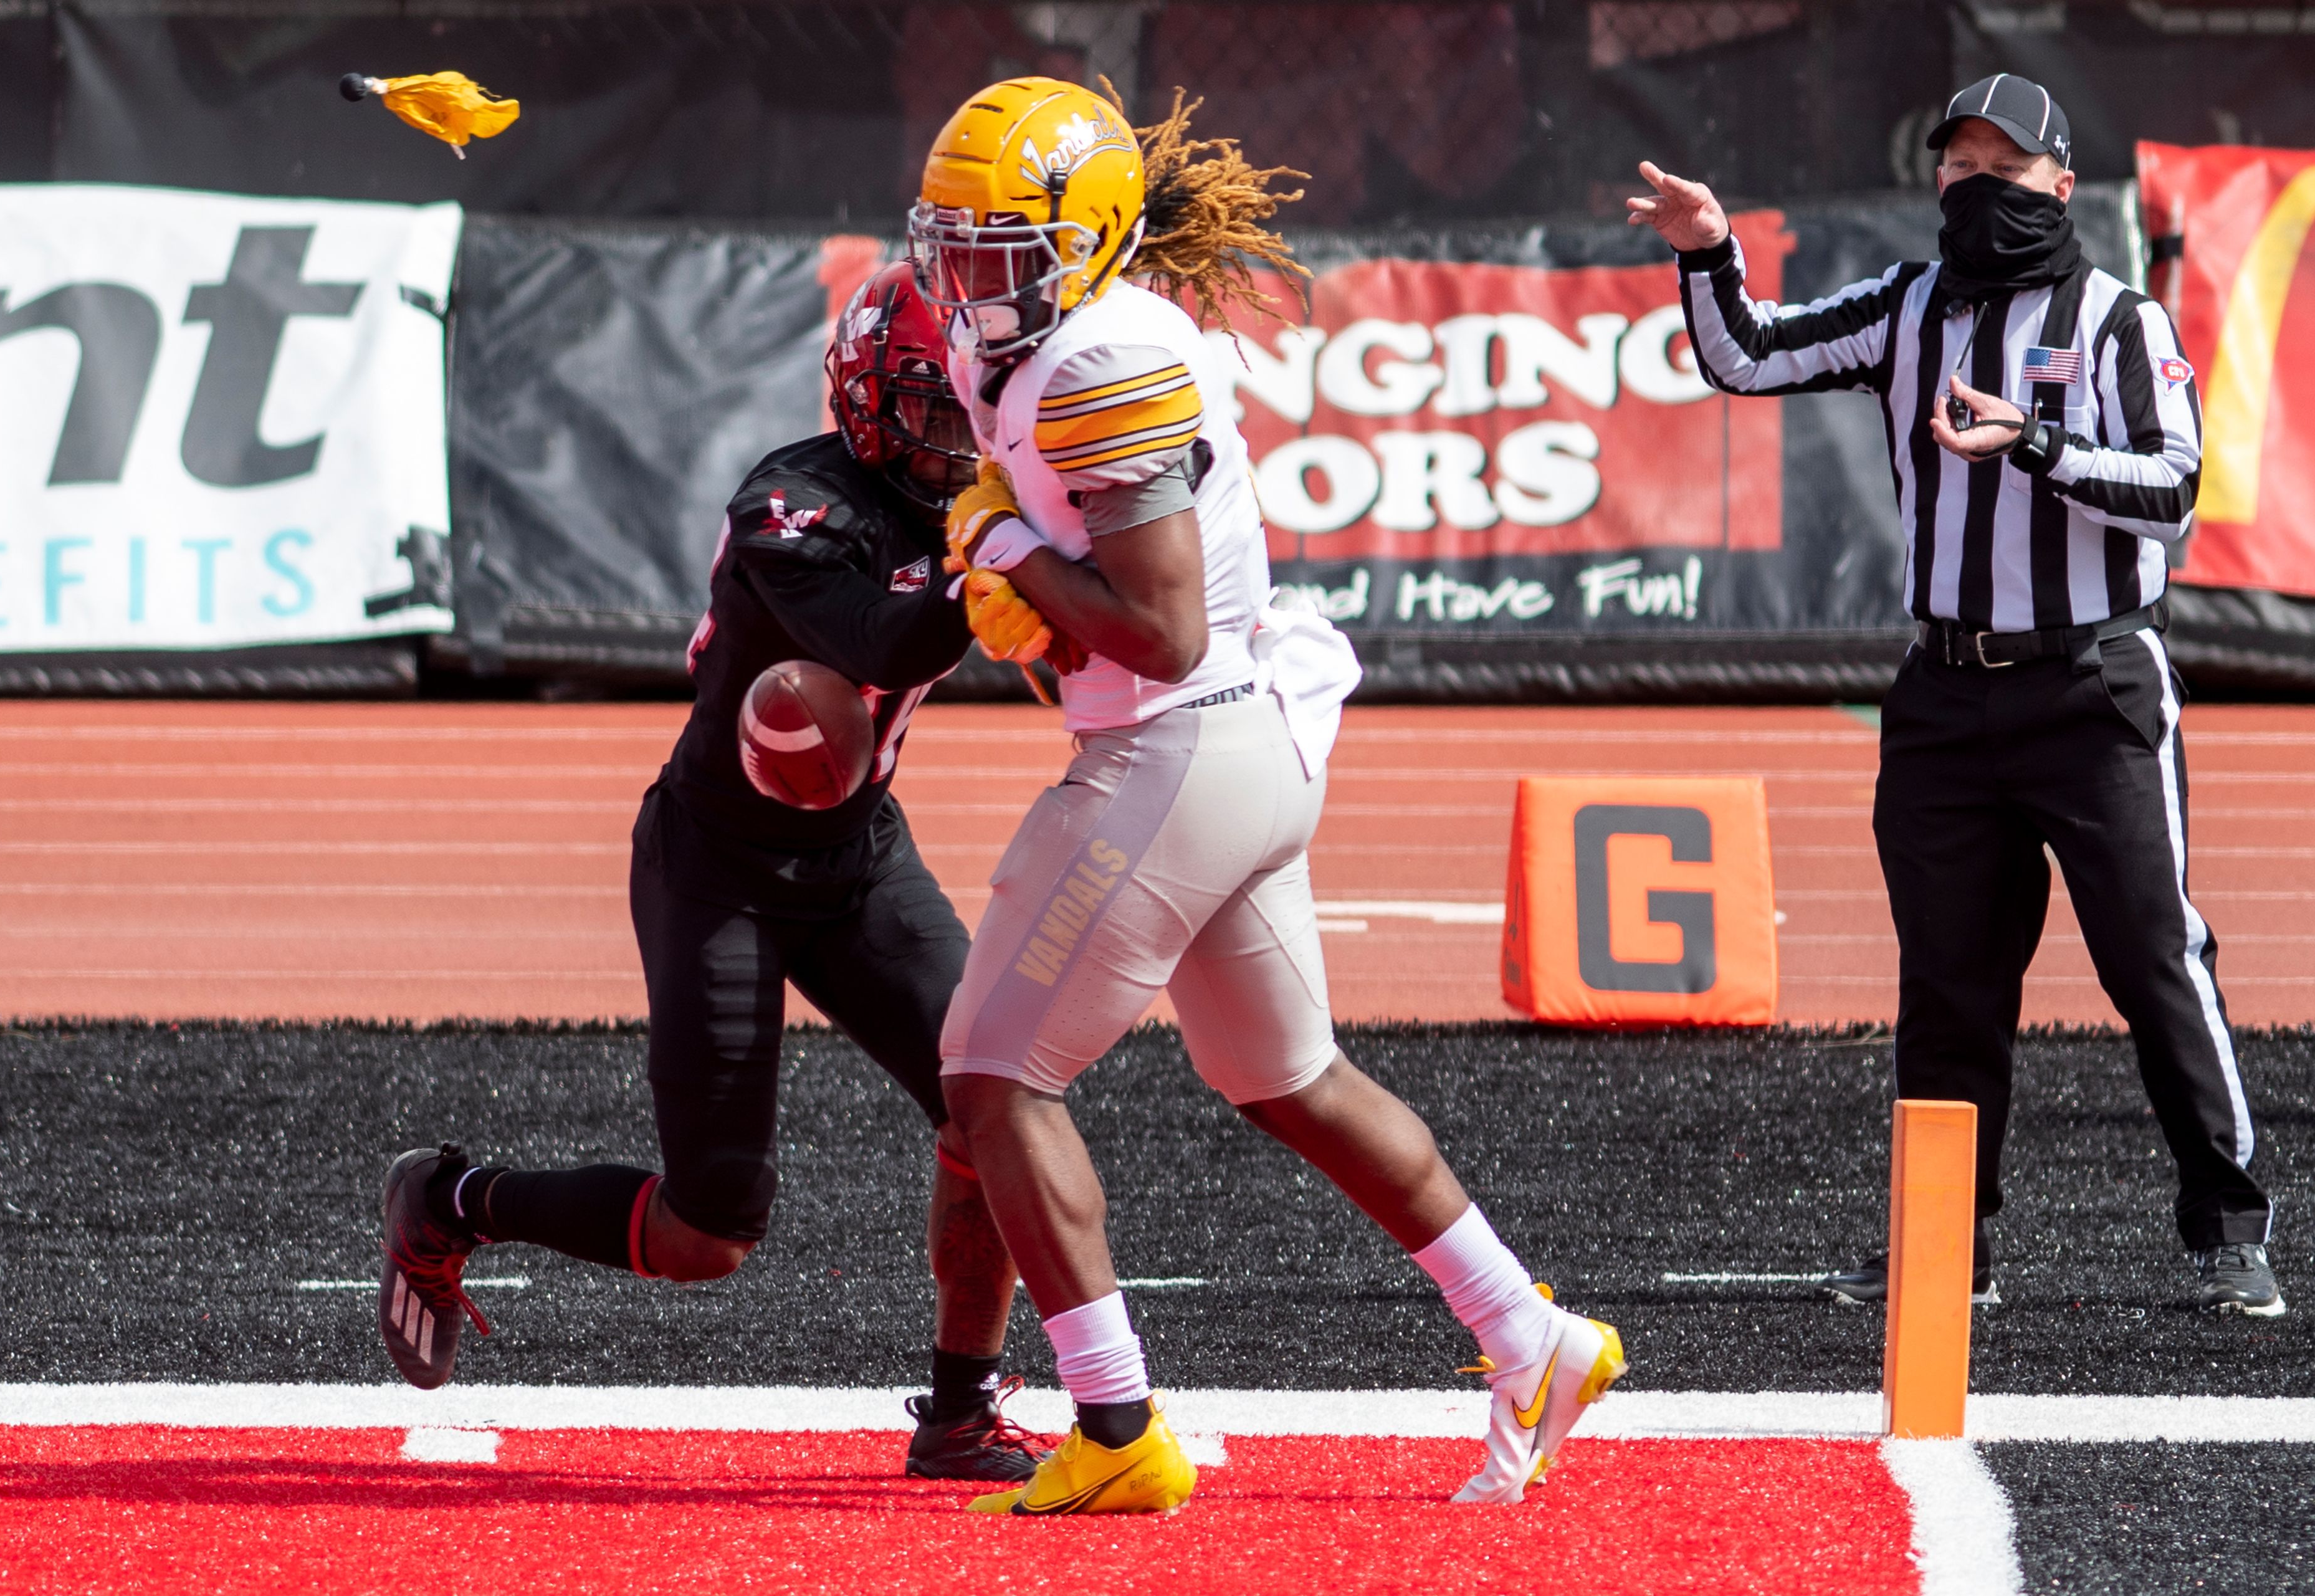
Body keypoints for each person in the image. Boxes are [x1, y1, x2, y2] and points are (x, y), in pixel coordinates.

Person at [906, 77, 1630, 1517]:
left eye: (997, 249)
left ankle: (1114, 1427)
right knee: (1287, 1077)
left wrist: (1009, 555)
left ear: (1082, 239)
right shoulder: (1077, 331)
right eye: (954, 245)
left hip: (1176, 743)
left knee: (996, 1081)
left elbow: (1161, 629)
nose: (965, 280)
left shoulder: (1103, 356)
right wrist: (1036, 596)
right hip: (1227, 744)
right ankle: (1530, 1334)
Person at [373, 262, 1064, 1479]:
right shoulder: (792, 512)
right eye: (932, 408)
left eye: (973, 407)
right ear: (864, 397)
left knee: (992, 1101)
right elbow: (888, 636)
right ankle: (452, 1196)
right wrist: (1006, 551)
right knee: (708, 1233)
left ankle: (960, 1410)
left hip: (858, 865)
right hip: (720, 871)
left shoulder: (979, 497)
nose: (958, 441)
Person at [1630, 74, 2281, 1317]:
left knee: (2154, 960)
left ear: (2061, 183)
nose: (1978, 185)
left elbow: (2173, 491)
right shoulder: (1909, 303)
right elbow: (1745, 358)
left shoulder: (2116, 322)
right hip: (1942, 695)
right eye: (1958, 163)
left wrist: (2031, 444)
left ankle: (2229, 1229)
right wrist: (1711, 252)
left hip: (2093, 689)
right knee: (1947, 981)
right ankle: (1947, 1252)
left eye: (2005, 163)